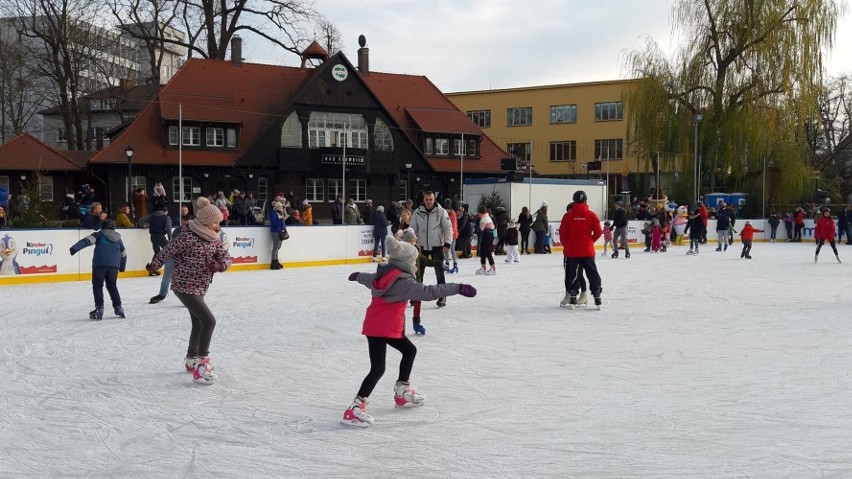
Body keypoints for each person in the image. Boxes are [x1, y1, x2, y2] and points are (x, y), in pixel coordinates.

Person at [342, 234, 477, 428]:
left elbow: (368, 278)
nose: (415, 262)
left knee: (409, 351)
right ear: (406, 261)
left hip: (376, 325)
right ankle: (354, 408)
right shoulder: (405, 282)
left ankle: (402, 393)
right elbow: (429, 292)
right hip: (383, 328)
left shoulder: (383, 274)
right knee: (378, 368)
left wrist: (357, 276)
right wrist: (457, 287)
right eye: (413, 259)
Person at [147, 197, 232, 385]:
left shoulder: (213, 237)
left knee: (199, 322)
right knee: (209, 321)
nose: (218, 224)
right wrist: (154, 265)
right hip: (184, 286)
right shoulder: (187, 235)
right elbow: (167, 251)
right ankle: (202, 365)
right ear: (205, 221)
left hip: (201, 285)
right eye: (215, 221)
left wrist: (219, 265)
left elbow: (226, 256)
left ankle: (192, 359)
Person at [69, 219, 127, 320]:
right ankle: (118, 307)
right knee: (112, 286)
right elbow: (124, 254)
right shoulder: (118, 239)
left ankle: (99, 308)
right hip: (113, 267)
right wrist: (121, 266)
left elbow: (86, 241)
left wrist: (74, 248)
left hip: (99, 265)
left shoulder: (99, 235)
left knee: (97, 285)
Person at [558, 191, 603, 308]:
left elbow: (563, 234)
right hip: (587, 250)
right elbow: (598, 232)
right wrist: (589, 241)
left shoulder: (568, 216)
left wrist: (567, 245)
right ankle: (597, 293)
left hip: (573, 251)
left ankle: (573, 294)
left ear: (574, 201)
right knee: (592, 272)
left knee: (574, 273)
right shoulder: (591, 215)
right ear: (585, 201)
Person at [411, 191, 453, 307]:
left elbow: (448, 228)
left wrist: (447, 243)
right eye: (426, 199)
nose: (428, 201)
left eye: (430, 199)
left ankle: (442, 296)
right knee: (418, 272)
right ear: (423, 200)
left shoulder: (441, 212)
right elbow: (412, 229)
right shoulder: (417, 212)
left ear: (434, 200)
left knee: (439, 272)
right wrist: (412, 243)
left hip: (437, 246)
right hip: (421, 246)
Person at [150, 213, 193, 304]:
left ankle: (191, 299)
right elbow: (173, 246)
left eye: (188, 223)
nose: (186, 225)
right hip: (173, 257)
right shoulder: (177, 231)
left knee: (187, 278)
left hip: (186, 259)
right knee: (166, 277)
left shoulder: (195, 233)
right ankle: (162, 294)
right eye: (184, 222)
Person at [475, 205, 497, 275]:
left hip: (488, 236)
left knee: (487, 252)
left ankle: (493, 268)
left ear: (481, 213)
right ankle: (483, 267)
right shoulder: (487, 217)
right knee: (482, 252)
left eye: (479, 213)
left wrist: (475, 226)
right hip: (488, 236)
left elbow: (480, 230)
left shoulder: (484, 219)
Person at [269, 200, 288, 270]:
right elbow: (274, 223)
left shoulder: (280, 212)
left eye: (281, 206)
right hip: (275, 231)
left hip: (280, 231)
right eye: (279, 206)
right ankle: (273, 262)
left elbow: (281, 223)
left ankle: (276, 261)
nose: (281, 207)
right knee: (276, 247)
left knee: (278, 247)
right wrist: (282, 219)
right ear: (276, 207)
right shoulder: (273, 213)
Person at [442, 198, 459, 273]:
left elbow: (454, 226)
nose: (447, 210)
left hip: (452, 235)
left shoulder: (453, 214)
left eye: (448, 209)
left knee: (452, 250)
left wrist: (450, 235)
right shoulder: (444, 214)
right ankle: (447, 264)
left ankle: (455, 264)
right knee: (446, 250)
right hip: (446, 235)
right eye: (446, 209)